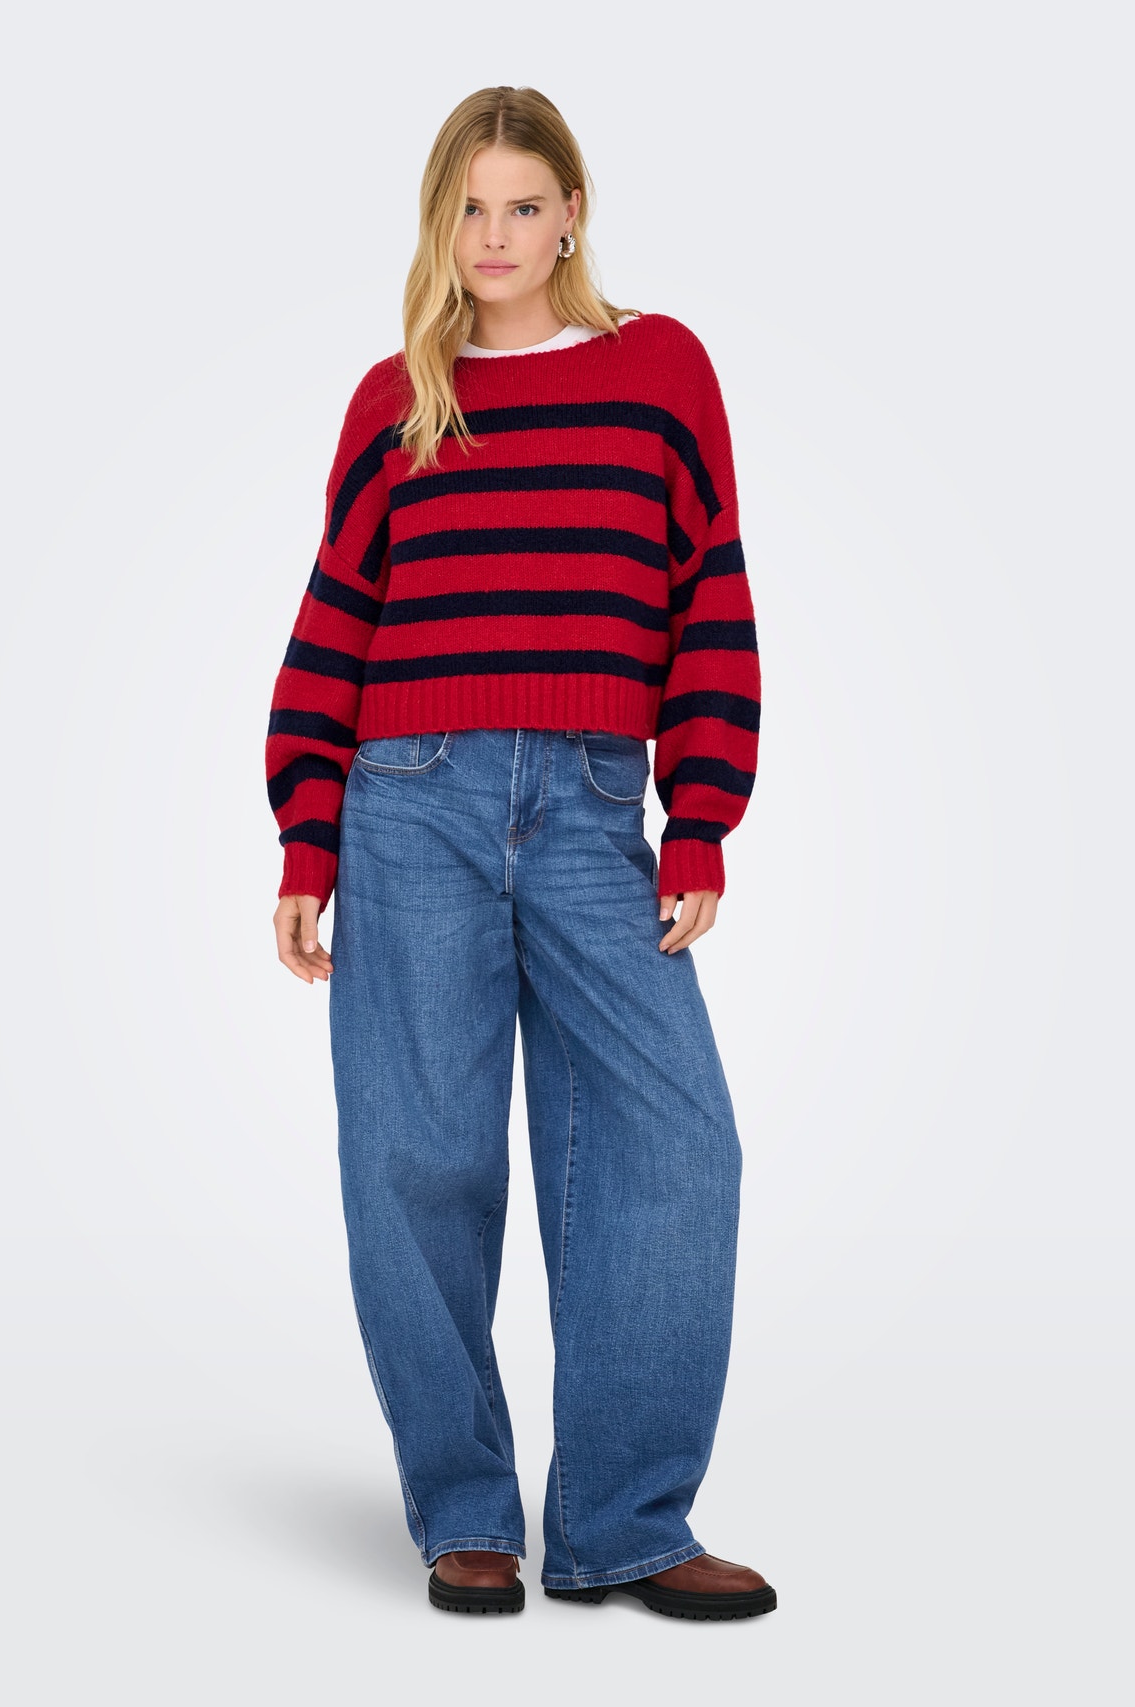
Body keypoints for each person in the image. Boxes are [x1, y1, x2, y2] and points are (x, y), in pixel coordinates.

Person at [266, 85, 775, 1622]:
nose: (495, 236)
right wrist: (305, 837)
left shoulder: (659, 371)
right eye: (469, 209)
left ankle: (625, 1521)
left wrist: (703, 813)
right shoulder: (398, 399)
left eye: (523, 206)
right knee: (418, 1154)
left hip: (596, 804)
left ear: (572, 215)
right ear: (443, 224)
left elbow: (708, 594)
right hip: (405, 799)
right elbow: (336, 619)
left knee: (674, 1145)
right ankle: (466, 1512)